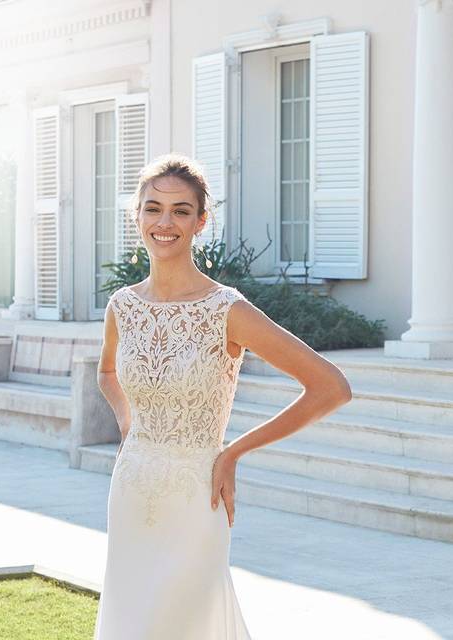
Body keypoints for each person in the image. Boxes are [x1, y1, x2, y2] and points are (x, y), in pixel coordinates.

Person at [92, 152, 353, 639]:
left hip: (196, 491)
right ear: (137, 216)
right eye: (152, 208)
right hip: (132, 488)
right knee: (133, 623)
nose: (164, 222)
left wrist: (233, 452)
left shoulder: (226, 309)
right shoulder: (122, 306)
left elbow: (330, 387)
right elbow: (107, 371)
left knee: (182, 621)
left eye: (180, 210)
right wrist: (128, 420)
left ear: (200, 222)